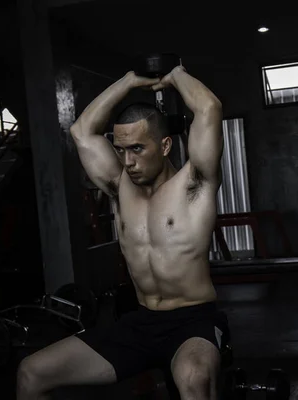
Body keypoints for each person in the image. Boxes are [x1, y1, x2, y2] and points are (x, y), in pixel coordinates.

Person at [16, 65, 228, 400]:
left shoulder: (194, 184)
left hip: (192, 322)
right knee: (31, 372)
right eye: (121, 149)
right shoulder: (119, 187)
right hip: (140, 322)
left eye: (137, 149)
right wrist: (129, 82)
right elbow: (82, 131)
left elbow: (209, 108)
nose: (127, 161)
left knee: (193, 378)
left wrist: (175, 75)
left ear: (165, 145)